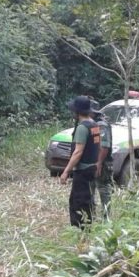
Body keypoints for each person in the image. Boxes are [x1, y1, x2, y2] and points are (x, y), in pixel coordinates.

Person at [60, 96, 100, 228]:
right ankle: (88, 228)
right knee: (87, 202)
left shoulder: (83, 128)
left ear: (77, 112)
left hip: (82, 172)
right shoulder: (94, 125)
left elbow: (78, 152)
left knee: (78, 203)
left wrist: (66, 172)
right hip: (91, 169)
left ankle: (81, 234)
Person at [90, 101, 113, 221]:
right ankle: (92, 217)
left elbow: (104, 146)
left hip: (102, 164)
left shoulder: (101, 125)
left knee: (103, 189)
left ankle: (106, 218)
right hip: (94, 162)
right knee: (90, 189)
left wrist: (98, 163)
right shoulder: (94, 124)